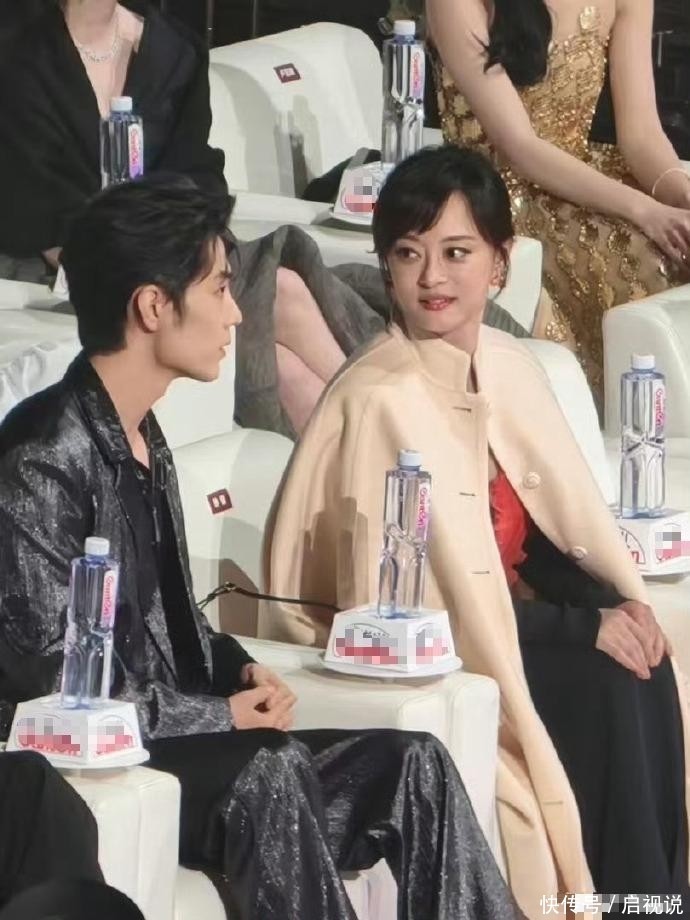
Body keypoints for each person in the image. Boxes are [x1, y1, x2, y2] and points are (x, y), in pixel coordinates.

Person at [0, 176, 521, 920]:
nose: (237, 313)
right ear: (152, 307)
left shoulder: (144, 436)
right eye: (218, 288)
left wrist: (238, 668)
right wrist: (222, 718)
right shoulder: (41, 458)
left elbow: (167, 622)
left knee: (414, 766)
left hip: (190, 742)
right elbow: (57, 681)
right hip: (117, 757)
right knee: (268, 769)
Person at [263, 146, 690, 916]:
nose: (432, 277)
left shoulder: (508, 362)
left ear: (500, 262)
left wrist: (612, 609)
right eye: (409, 254)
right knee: (602, 679)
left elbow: (549, 534)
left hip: (515, 622)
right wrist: (581, 628)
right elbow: (411, 604)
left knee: (647, 657)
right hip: (432, 649)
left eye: (457, 253)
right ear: (386, 265)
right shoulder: (380, 398)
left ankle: (658, 903)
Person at [0, 0, 528, 437]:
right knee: (284, 291)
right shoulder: (15, 48)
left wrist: (186, 252)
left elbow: (201, 180)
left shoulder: (171, 49)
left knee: (286, 353)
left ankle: (388, 448)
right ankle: (414, 437)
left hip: (181, 258)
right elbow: (28, 202)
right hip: (69, 268)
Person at [425, 0, 690, 404]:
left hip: (585, 179)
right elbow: (519, 146)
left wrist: (680, 197)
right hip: (489, 196)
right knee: (650, 260)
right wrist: (646, 212)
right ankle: (621, 421)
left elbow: (641, 136)